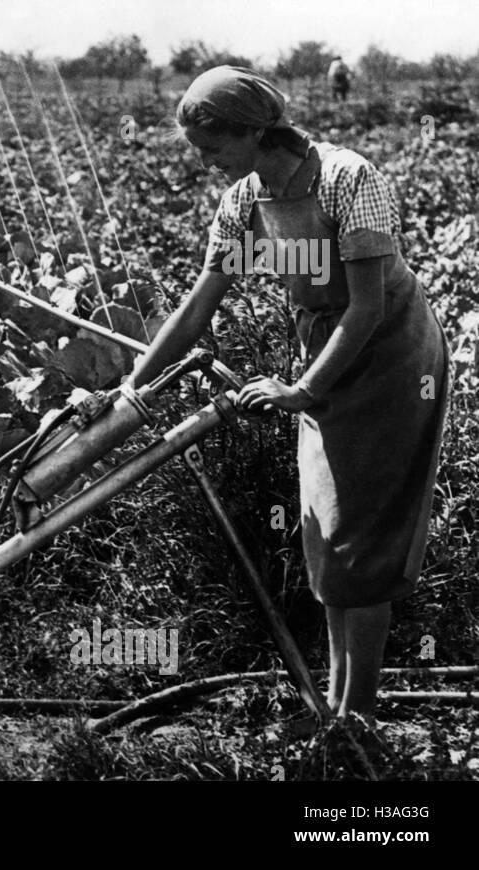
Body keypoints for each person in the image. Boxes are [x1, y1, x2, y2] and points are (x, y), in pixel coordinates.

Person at [128, 66, 449, 730]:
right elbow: (198, 308)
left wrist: (303, 391)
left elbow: (367, 308)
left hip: (390, 357)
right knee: (328, 534)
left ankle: (357, 716)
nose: (208, 164)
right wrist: (131, 388)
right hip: (324, 356)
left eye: (213, 149)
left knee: (365, 538)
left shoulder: (347, 180)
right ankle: (339, 709)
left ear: (251, 132)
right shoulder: (246, 200)